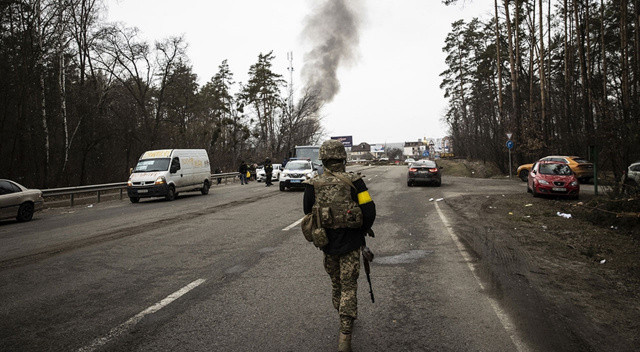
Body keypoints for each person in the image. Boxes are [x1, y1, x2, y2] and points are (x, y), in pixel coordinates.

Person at [303, 139, 376, 352]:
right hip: (352, 244)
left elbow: (308, 212)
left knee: (337, 285)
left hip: (327, 245)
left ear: (323, 159)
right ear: (343, 158)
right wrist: (361, 230)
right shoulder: (355, 182)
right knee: (349, 287)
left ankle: (343, 318)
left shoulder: (313, 184)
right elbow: (369, 210)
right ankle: (345, 337)